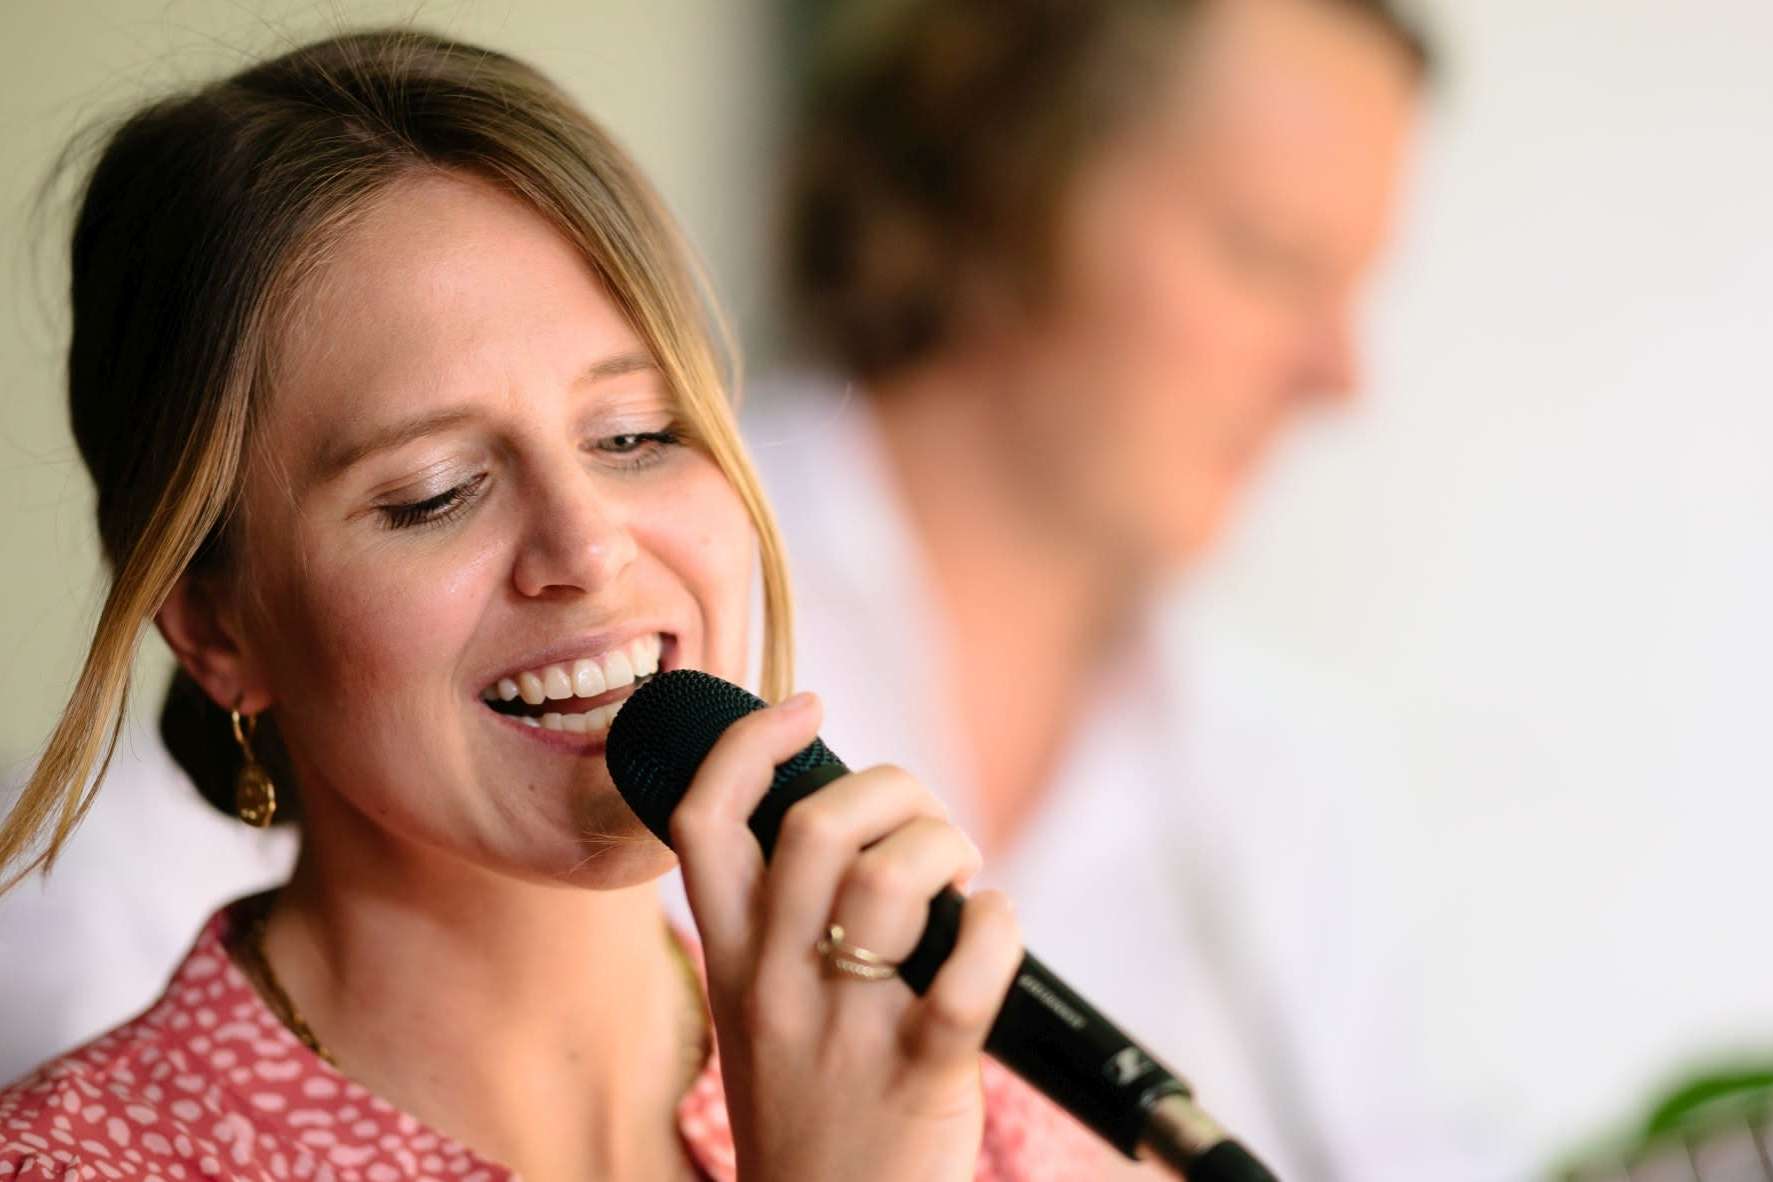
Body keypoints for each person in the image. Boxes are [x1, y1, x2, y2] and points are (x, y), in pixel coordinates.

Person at [0, 30, 1108, 1182]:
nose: (585, 546)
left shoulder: (977, 1108)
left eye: (636, 436)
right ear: (218, 629)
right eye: (434, 495)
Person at [736, 0, 1511, 1176]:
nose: (1338, 376)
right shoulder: (648, 623)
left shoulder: (1289, 790)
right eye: (1273, 258)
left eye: (1351, 285)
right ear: (1008, 189)